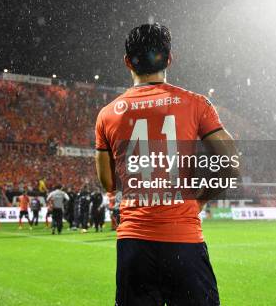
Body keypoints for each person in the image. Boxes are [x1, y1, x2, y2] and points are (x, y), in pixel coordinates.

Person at [95, 23, 239, 305]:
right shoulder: (196, 104)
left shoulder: (107, 114)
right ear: (169, 59)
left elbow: (107, 182)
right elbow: (231, 164)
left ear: (127, 62)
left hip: (134, 245)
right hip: (183, 242)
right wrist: (200, 199)